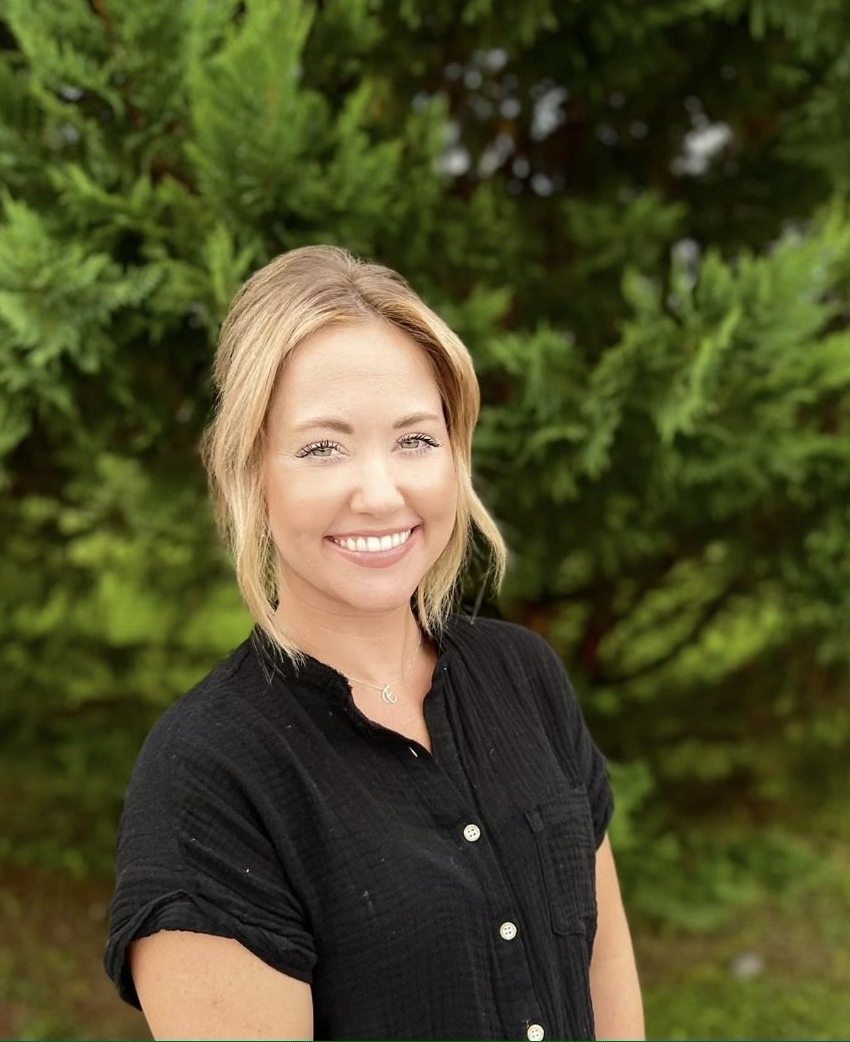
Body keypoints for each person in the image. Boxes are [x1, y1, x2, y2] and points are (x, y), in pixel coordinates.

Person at [104, 245, 644, 1041]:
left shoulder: (523, 674)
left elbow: (604, 966)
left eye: (416, 440)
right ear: (252, 471)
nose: (381, 492)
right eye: (323, 446)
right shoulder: (209, 775)